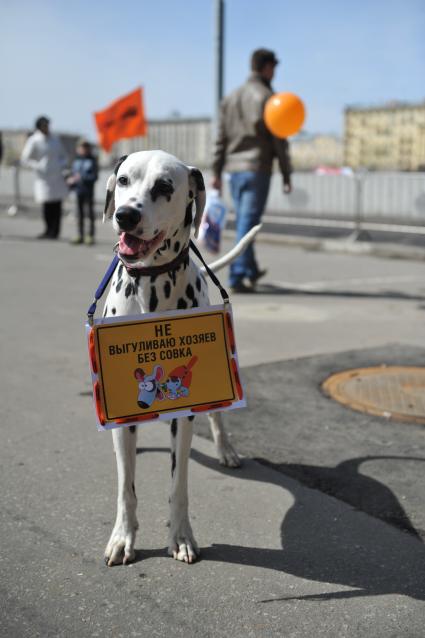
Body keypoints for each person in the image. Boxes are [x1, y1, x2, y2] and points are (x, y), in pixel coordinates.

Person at [211, 48, 292, 293]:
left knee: (246, 221)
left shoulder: (231, 98)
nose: (275, 73)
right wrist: (287, 173)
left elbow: (221, 139)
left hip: (233, 170)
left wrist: (216, 171)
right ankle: (236, 276)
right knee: (248, 222)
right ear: (266, 67)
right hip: (257, 168)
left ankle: (251, 269)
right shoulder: (268, 97)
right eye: (274, 67)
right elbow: (279, 140)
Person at [21, 116, 69, 239]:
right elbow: (25, 159)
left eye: (47, 125)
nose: (46, 128)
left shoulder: (55, 139)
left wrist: (61, 165)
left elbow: (63, 156)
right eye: (44, 126)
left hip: (57, 176)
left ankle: (55, 231)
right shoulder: (34, 140)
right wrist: (38, 166)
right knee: (47, 204)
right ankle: (48, 230)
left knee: (57, 204)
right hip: (43, 177)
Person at [68, 139, 98, 245]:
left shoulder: (92, 160)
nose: (83, 150)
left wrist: (81, 177)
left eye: (85, 148)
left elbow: (94, 177)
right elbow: (73, 174)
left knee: (89, 214)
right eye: (81, 148)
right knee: (79, 214)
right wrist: (71, 181)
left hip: (88, 190)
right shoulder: (76, 161)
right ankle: (80, 235)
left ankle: (90, 235)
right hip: (78, 190)